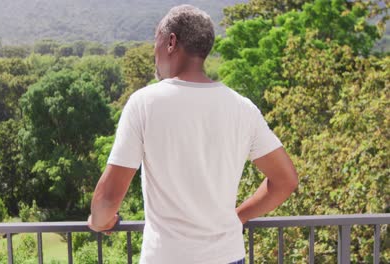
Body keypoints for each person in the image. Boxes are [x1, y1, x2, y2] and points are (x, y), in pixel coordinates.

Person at [87, 4, 298, 264]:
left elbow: (108, 198)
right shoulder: (242, 108)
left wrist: (100, 222)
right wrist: (239, 216)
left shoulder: (145, 103)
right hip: (227, 257)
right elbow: (286, 180)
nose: (154, 53)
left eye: (157, 41)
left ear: (171, 42)